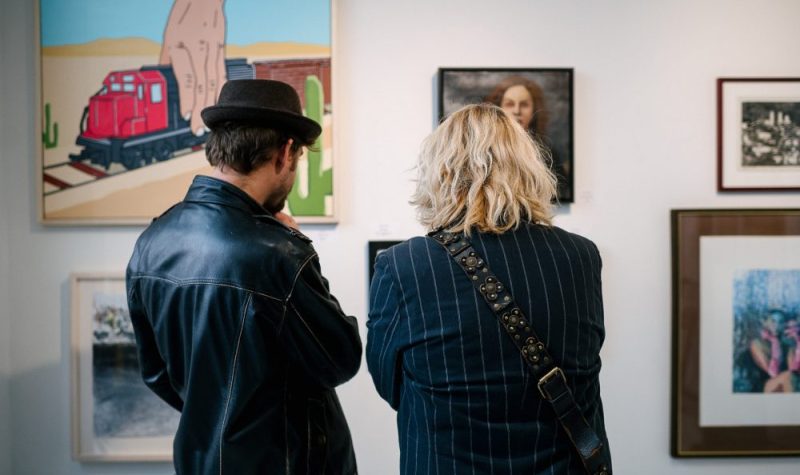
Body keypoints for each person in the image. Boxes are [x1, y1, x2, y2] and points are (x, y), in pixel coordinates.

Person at [126, 79, 361, 475]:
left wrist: (216, 411)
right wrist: (298, 243)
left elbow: (156, 373)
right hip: (284, 464)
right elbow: (340, 359)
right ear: (286, 152)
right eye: (299, 159)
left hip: (199, 462)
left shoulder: (152, 241)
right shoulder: (277, 253)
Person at [367, 103, 611, 474]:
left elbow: (390, 385)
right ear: (527, 168)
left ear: (441, 172)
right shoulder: (581, 256)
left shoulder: (404, 266)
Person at [484, 76, 569, 200]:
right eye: (509, 104)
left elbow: (558, 194)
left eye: (524, 105)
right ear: (499, 108)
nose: (517, 111)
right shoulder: (486, 151)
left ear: (534, 110)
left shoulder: (548, 154)